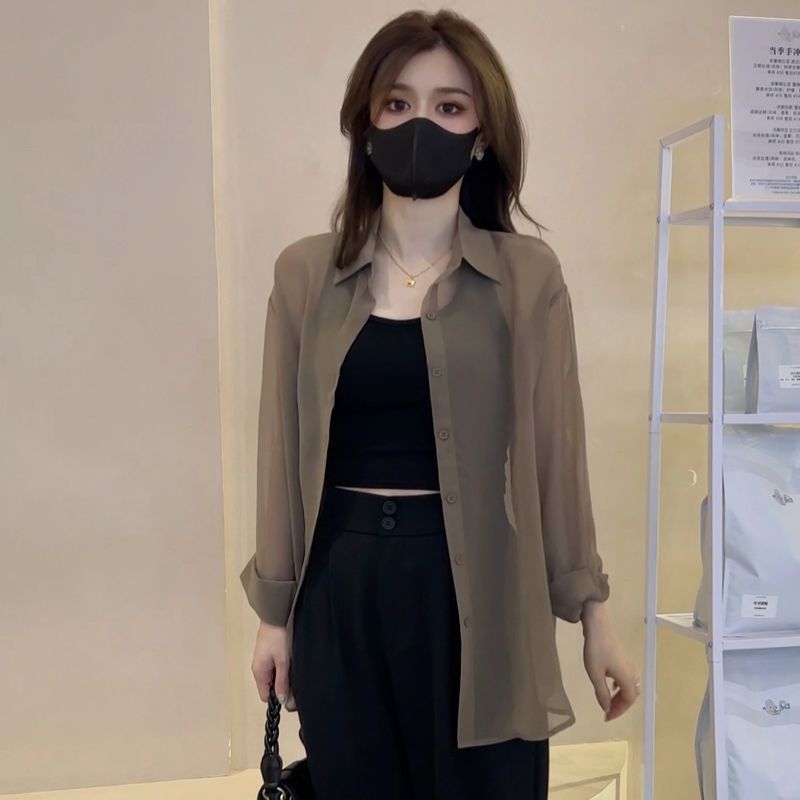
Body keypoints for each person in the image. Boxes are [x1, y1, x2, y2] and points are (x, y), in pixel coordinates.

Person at [241, 8, 640, 800]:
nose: (420, 123)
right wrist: (273, 615)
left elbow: (557, 456)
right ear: (366, 123)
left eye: (450, 106)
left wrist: (594, 618)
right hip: (343, 587)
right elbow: (281, 454)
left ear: (482, 134)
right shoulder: (305, 276)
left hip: (483, 590)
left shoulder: (526, 279)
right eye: (397, 103)